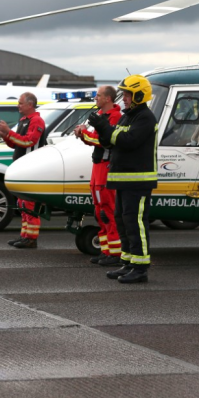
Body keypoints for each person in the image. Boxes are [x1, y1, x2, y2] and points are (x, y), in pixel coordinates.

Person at [87, 75, 158, 284]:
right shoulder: (128, 116)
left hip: (138, 181)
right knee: (123, 220)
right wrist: (101, 128)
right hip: (123, 180)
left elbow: (127, 141)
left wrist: (104, 128)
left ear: (138, 95)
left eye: (127, 94)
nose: (124, 98)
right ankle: (128, 263)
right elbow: (111, 142)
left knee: (136, 223)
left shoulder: (145, 117)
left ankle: (140, 267)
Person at [74, 86, 122, 266]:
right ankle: (106, 250)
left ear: (108, 98)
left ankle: (115, 254)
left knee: (107, 211)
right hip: (97, 168)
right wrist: (83, 134)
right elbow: (94, 138)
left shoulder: (115, 117)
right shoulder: (102, 116)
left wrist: (84, 133)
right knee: (99, 211)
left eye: (99, 95)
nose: (96, 98)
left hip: (105, 168)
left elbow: (104, 141)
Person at [0, 92, 46, 249]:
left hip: (31, 167)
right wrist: (4, 134)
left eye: (21, 103)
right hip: (22, 166)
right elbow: (16, 143)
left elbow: (29, 141)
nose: (18, 106)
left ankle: (31, 238)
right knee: (22, 203)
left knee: (29, 204)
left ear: (30, 105)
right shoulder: (24, 120)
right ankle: (25, 235)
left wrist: (9, 132)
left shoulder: (37, 120)